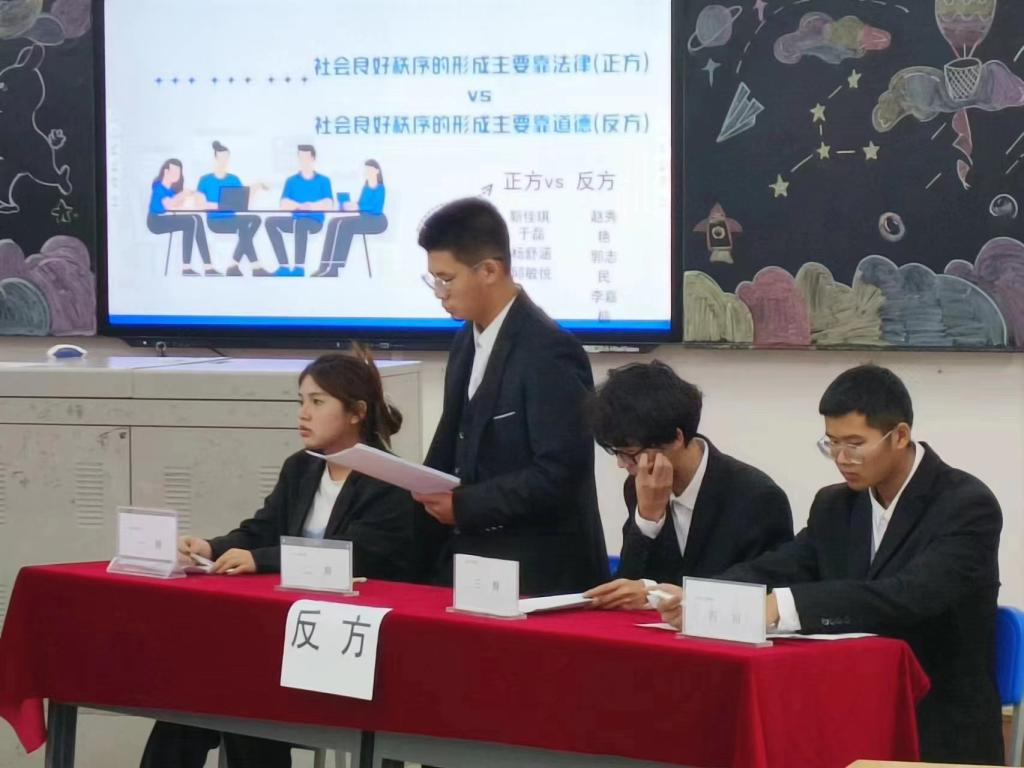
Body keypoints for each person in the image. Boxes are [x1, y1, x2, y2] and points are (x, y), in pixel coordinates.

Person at [654, 364, 1004, 765]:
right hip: (844, 707)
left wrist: (783, 606)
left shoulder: (966, 505)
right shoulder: (836, 504)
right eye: (831, 444)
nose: (841, 458)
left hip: (937, 721)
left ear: (900, 436)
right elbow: (784, 565)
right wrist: (706, 595)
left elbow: (907, 596)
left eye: (855, 444)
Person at [140, 348, 423, 768]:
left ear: (356, 412)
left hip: (351, 640)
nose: (303, 413)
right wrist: (210, 548)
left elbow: (351, 556)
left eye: (317, 402)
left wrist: (262, 560)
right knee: (194, 693)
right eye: (301, 401)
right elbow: (261, 528)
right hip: (285, 627)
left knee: (240, 693)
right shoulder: (301, 467)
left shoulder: (389, 479)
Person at [413, 197, 608, 596]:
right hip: (471, 561)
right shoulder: (464, 341)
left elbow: (560, 473)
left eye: (447, 279)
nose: (439, 293)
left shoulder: (549, 350)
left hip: (540, 573)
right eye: (433, 280)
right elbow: (454, 440)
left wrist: (464, 506)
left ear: (489, 270)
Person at [582, 361, 793, 610]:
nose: (621, 464)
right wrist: (647, 519)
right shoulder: (640, 485)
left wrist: (657, 595)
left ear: (675, 438)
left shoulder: (756, 497)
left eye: (629, 453)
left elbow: (763, 590)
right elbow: (628, 585)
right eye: (615, 453)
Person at [197, 140, 270, 276]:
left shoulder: (234, 179)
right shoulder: (205, 180)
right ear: (215, 159)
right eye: (221, 158)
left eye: (226, 158)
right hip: (215, 221)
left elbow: (242, 203)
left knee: (255, 219)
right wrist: (221, 205)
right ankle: (254, 267)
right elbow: (201, 205)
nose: (223, 161)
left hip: (233, 218)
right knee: (243, 227)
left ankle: (234, 265)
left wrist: (255, 188)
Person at [264, 145, 334, 277]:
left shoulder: (323, 180)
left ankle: (299, 268)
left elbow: (329, 204)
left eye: (306, 157)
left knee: (301, 223)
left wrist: (311, 206)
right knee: (270, 222)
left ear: (313, 158)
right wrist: (299, 205)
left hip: (314, 222)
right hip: (295, 219)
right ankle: (284, 266)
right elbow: (283, 203)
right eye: (300, 158)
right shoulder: (291, 181)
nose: (303, 161)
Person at [313, 159, 388, 277]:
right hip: (363, 218)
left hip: (377, 220)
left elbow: (376, 208)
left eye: (369, 169)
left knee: (344, 225)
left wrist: (359, 206)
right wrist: (352, 205)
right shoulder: (366, 187)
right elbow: (361, 204)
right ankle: (323, 266)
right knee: (333, 222)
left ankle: (334, 268)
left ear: (377, 171)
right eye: (366, 170)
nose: (366, 172)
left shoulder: (380, 188)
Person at [146, 158, 220, 277]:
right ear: (166, 172)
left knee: (196, 218)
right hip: (156, 221)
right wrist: (183, 195)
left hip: (164, 218)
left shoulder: (171, 189)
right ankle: (188, 268)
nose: (176, 175)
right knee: (191, 221)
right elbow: (168, 205)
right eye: (174, 172)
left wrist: (196, 199)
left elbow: (178, 206)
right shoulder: (158, 187)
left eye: (178, 172)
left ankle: (207, 267)